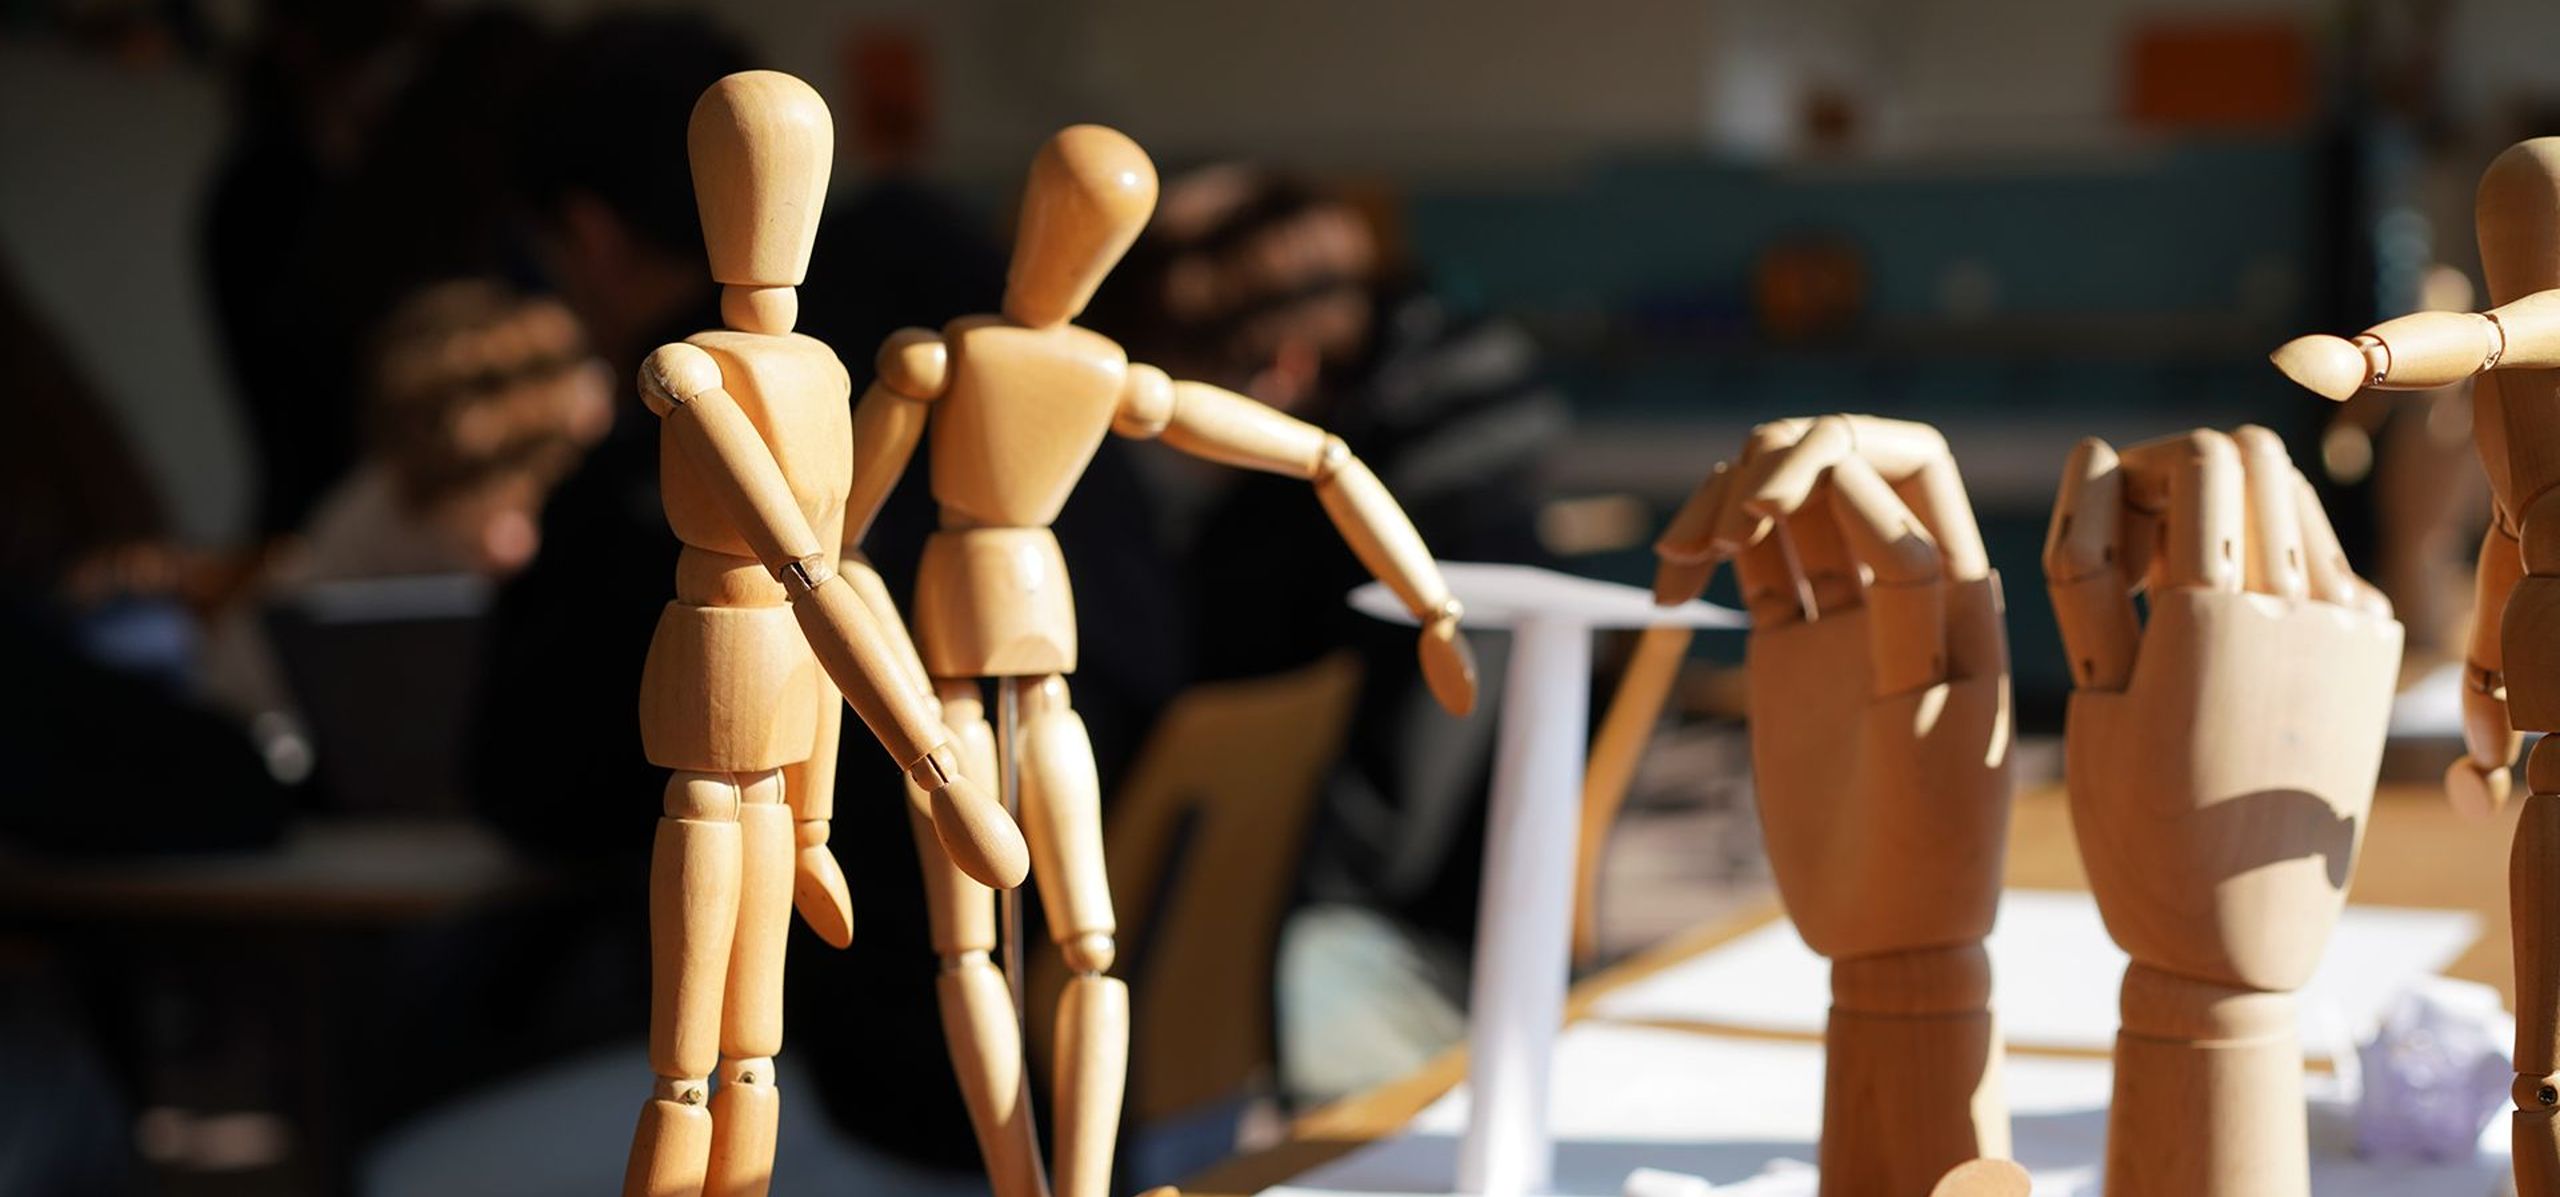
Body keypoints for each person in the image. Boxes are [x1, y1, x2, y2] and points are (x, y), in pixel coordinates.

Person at [1090, 164, 1569, 1103]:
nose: (1147, 440)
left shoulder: (1425, 539)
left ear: (1283, 371)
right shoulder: (1414, 454)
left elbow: (1386, 829)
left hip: (1410, 955)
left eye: (1165, 409)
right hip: (1429, 917)